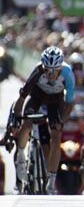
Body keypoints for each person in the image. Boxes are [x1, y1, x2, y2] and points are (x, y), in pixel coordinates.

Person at [13, 46, 75, 194]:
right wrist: (17, 117)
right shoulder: (38, 71)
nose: (50, 73)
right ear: (43, 66)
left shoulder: (67, 73)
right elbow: (21, 99)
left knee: (56, 135)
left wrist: (62, 120)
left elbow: (70, 103)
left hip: (55, 100)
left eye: (54, 70)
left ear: (60, 67)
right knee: (26, 124)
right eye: (47, 69)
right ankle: (21, 156)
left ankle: (51, 181)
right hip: (37, 96)